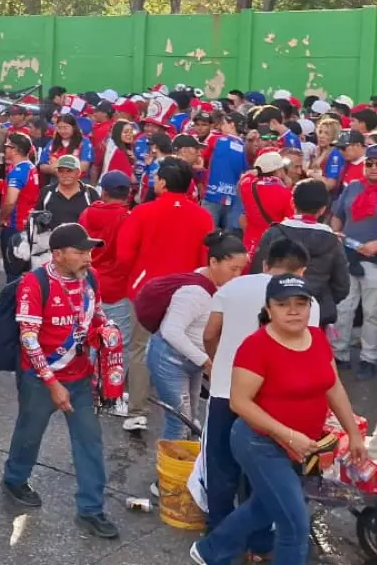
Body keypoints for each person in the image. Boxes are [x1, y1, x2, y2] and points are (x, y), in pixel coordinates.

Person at [191, 275, 365, 565]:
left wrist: (353, 433)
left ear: (310, 306)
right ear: (269, 310)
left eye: (300, 303)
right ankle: (214, 549)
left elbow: (333, 386)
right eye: (283, 304)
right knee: (294, 525)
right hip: (260, 443)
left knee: (266, 506)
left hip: (303, 444)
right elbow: (239, 402)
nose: (293, 310)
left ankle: (210, 549)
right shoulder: (256, 347)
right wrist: (288, 434)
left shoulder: (318, 338)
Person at [0, 223, 119, 541]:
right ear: (57, 254)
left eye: (89, 251)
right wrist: (52, 384)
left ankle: (91, 510)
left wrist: (107, 329)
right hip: (40, 380)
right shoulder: (34, 283)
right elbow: (28, 338)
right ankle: (15, 479)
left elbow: (96, 314)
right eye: (80, 252)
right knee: (29, 433)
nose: (88, 258)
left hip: (80, 378)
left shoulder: (89, 279)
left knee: (90, 442)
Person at [202, 239, 318, 555]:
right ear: (302, 270)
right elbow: (307, 352)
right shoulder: (307, 302)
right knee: (262, 472)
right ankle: (258, 544)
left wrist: (218, 363)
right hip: (271, 402)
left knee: (221, 466)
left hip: (226, 391)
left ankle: (218, 534)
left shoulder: (233, 287)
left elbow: (210, 334)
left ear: (266, 264)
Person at [116, 158, 214, 431]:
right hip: (188, 294)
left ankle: (137, 411)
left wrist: (136, 276)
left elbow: (124, 255)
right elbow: (205, 258)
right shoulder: (202, 216)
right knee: (185, 350)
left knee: (139, 349)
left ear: (162, 182)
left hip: (147, 291)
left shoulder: (143, 212)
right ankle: (185, 414)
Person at [146, 231, 247, 441]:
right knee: (180, 422)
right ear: (213, 262)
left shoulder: (217, 287)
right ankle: (170, 472)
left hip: (192, 362)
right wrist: (206, 362)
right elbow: (171, 330)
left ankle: (187, 467)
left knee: (192, 419)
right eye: (233, 268)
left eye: (241, 269)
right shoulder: (194, 293)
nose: (237, 275)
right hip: (170, 361)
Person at [252, 178, 346, 329]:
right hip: (315, 311)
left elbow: (257, 273)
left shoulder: (274, 232)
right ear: (323, 209)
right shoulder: (332, 240)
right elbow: (342, 286)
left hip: (275, 310)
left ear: (292, 203)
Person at [77, 170, 133, 412]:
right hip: (117, 286)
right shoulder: (127, 217)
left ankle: (86, 391)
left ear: (104, 191)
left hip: (87, 280)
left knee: (89, 338)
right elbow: (125, 257)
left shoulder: (87, 213)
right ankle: (110, 394)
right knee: (117, 343)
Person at [330, 143, 377, 378]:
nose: (373, 168)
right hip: (347, 256)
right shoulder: (353, 188)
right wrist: (336, 235)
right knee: (344, 307)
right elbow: (338, 217)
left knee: (372, 312)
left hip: (374, 261)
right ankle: (339, 353)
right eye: (370, 163)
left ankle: (370, 358)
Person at [0, 132, 40, 281]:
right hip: (27, 224)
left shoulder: (18, 171)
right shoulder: (30, 167)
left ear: (15, 149)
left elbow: (10, 201)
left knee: (13, 271)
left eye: (7, 146)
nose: (5, 150)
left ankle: (12, 302)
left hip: (14, 226)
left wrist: (1, 219)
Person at [237, 151, 293, 258]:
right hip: (274, 245)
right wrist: (287, 185)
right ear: (277, 171)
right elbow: (289, 221)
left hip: (251, 244)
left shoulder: (247, 184)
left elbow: (245, 177)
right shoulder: (285, 193)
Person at [203, 112, 247, 230]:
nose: (220, 127)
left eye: (223, 124)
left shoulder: (215, 139)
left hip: (212, 196)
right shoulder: (245, 147)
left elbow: (201, 156)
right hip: (233, 199)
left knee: (207, 237)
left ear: (232, 125)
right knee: (228, 241)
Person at [35, 154, 98, 230]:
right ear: (57, 173)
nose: (65, 175)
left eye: (69, 171)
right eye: (61, 171)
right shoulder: (46, 192)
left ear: (78, 172)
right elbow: (36, 218)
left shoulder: (90, 193)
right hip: (52, 240)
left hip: (81, 240)